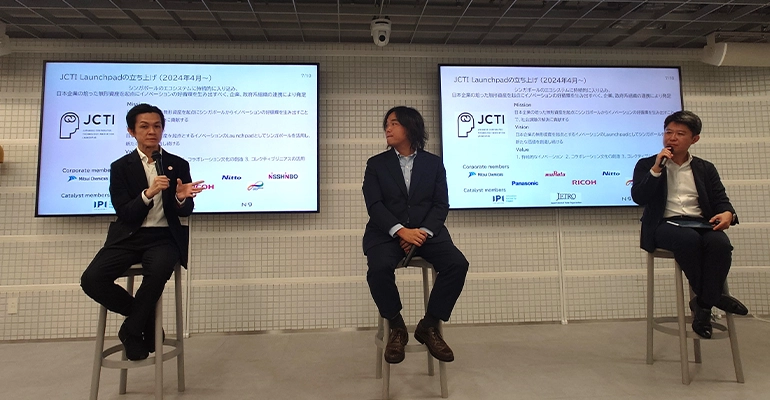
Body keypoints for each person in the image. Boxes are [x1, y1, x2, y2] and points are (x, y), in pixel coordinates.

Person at [81, 103, 205, 360]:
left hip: (163, 237)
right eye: (144, 126)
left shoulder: (177, 164)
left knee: (158, 270)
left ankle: (130, 329)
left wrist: (182, 198)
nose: (152, 131)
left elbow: (185, 211)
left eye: (157, 126)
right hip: (128, 237)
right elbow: (125, 212)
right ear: (131, 131)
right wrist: (148, 194)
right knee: (92, 279)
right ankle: (145, 321)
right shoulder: (120, 167)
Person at [362, 106, 469, 364]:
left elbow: (441, 204)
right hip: (386, 234)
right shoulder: (376, 164)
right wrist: (401, 231)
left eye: (394, 123)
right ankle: (397, 327)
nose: (387, 128)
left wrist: (420, 232)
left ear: (410, 127)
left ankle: (429, 325)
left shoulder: (433, 164)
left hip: (427, 234)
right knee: (377, 268)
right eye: (386, 123)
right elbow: (374, 205)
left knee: (457, 264)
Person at [631, 110, 748, 339]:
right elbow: (639, 196)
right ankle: (714, 298)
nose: (672, 138)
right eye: (668, 132)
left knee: (720, 244)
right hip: (664, 224)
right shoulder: (647, 164)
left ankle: (703, 303)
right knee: (688, 240)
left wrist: (728, 214)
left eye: (680, 133)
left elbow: (721, 199)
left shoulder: (705, 168)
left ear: (694, 139)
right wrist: (656, 169)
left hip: (699, 222)